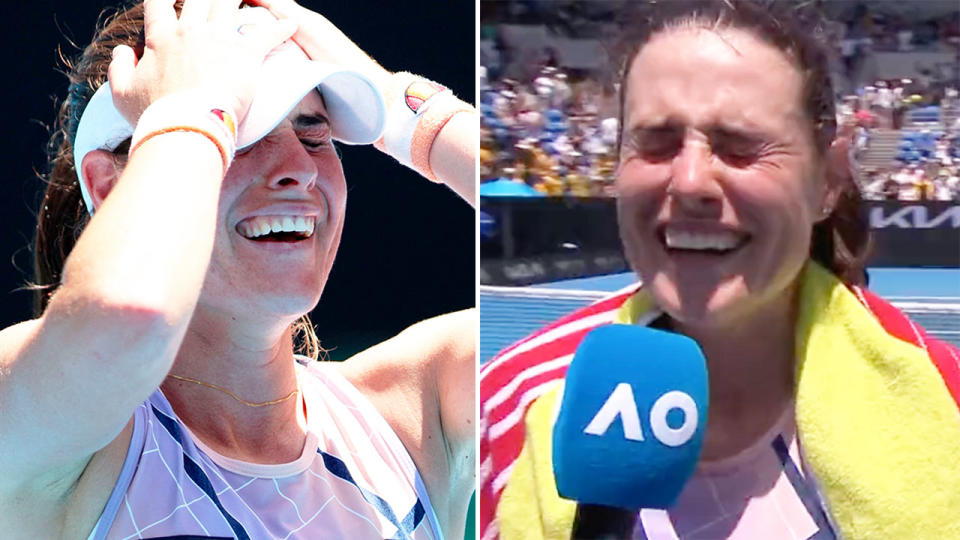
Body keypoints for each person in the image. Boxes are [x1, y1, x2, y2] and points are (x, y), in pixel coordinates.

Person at [479, 1, 960, 539]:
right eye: (657, 142)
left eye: (740, 147)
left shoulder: (944, 398)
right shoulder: (508, 399)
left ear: (827, 181)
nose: (689, 183)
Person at [0, 0, 476, 538]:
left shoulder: (415, 412)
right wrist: (190, 110)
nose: (298, 168)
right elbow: (126, 315)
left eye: (314, 131)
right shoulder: (43, 426)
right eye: (241, 133)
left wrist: (407, 112)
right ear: (109, 187)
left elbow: (585, 258)